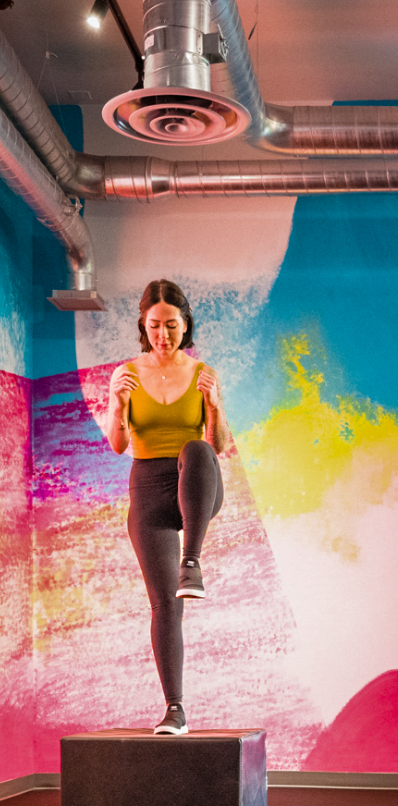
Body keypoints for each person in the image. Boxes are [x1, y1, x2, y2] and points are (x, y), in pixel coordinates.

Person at [106, 279, 231, 735]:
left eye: (172, 325)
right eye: (155, 325)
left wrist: (214, 409)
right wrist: (117, 404)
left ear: (185, 324)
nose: (163, 335)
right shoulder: (127, 374)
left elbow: (221, 446)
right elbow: (119, 445)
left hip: (197, 483)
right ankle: (174, 709)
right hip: (149, 491)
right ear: (144, 324)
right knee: (165, 606)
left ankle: (192, 561)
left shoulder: (201, 373)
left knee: (196, 450)